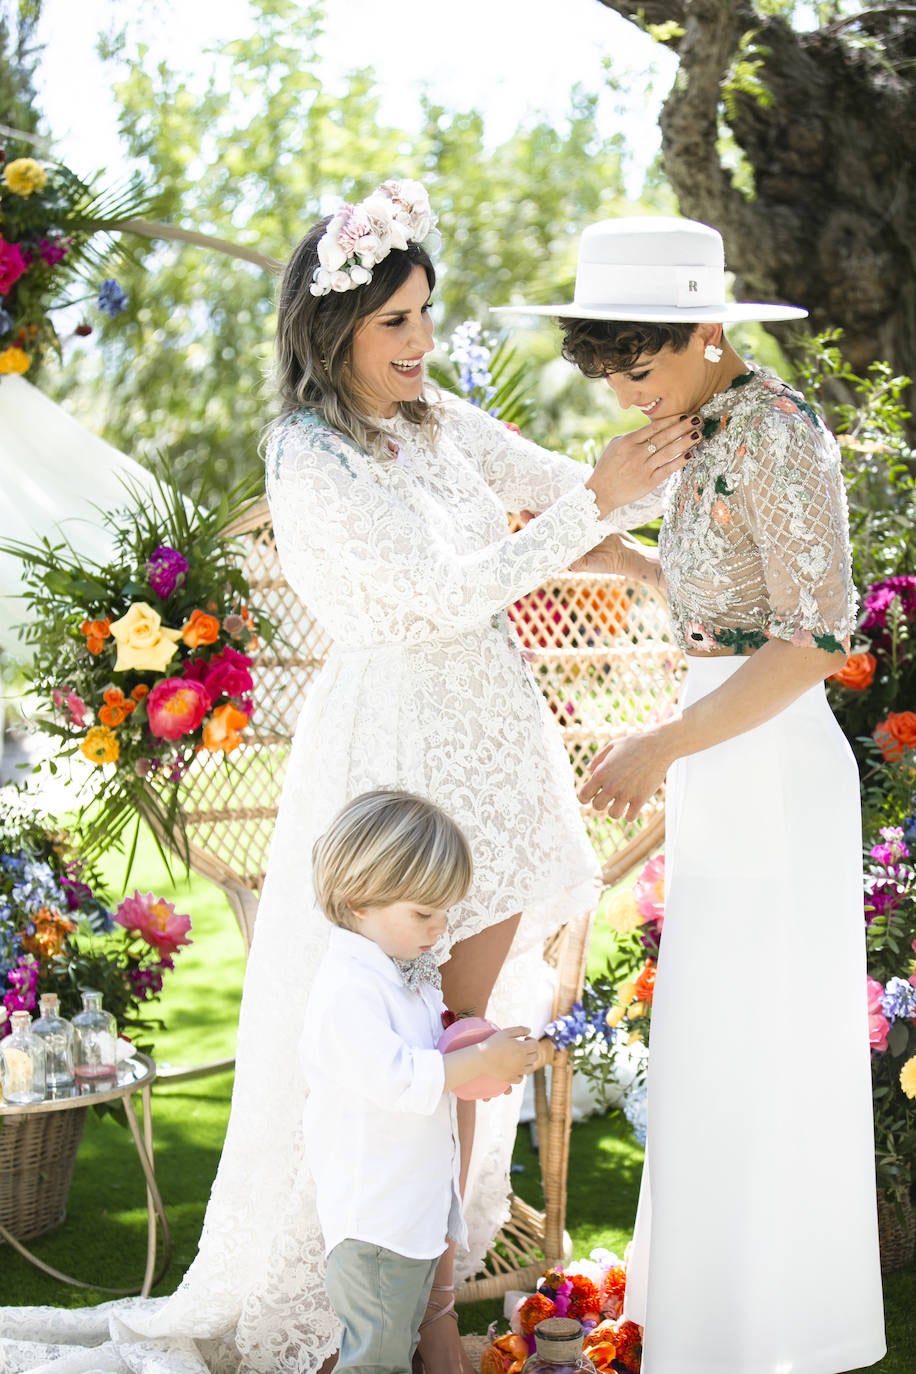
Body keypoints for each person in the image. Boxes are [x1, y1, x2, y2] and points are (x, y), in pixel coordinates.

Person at [0, 181, 697, 1374]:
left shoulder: (435, 423)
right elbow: (440, 589)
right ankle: (396, 1314)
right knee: (398, 1046)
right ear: (332, 331)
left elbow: (554, 498)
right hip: (396, 752)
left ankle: (437, 1281)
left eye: (426, 313)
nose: (422, 341)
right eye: (395, 323)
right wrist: (600, 494)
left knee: (469, 1051)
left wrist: (669, 548)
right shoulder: (304, 452)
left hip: (496, 740)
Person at [497, 216, 886, 1372]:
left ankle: (781, 1333)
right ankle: (713, 1327)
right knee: (716, 1048)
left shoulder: (778, 433)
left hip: (766, 763)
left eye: (641, 366)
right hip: (730, 762)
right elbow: (736, 594)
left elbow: (813, 638)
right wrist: (625, 561)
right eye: (610, 371)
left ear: (707, 333)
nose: (627, 395)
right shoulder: (704, 421)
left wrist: (661, 743)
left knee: (764, 1049)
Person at [306, 787, 538, 1374]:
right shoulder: (348, 989)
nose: (440, 930)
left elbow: (431, 1058)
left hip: (409, 1214)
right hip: (377, 1225)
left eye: (444, 912)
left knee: (393, 1345)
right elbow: (399, 1078)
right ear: (360, 901)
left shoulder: (400, 972)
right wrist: (481, 1059)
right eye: (424, 914)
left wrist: (475, 1054)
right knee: (376, 1359)